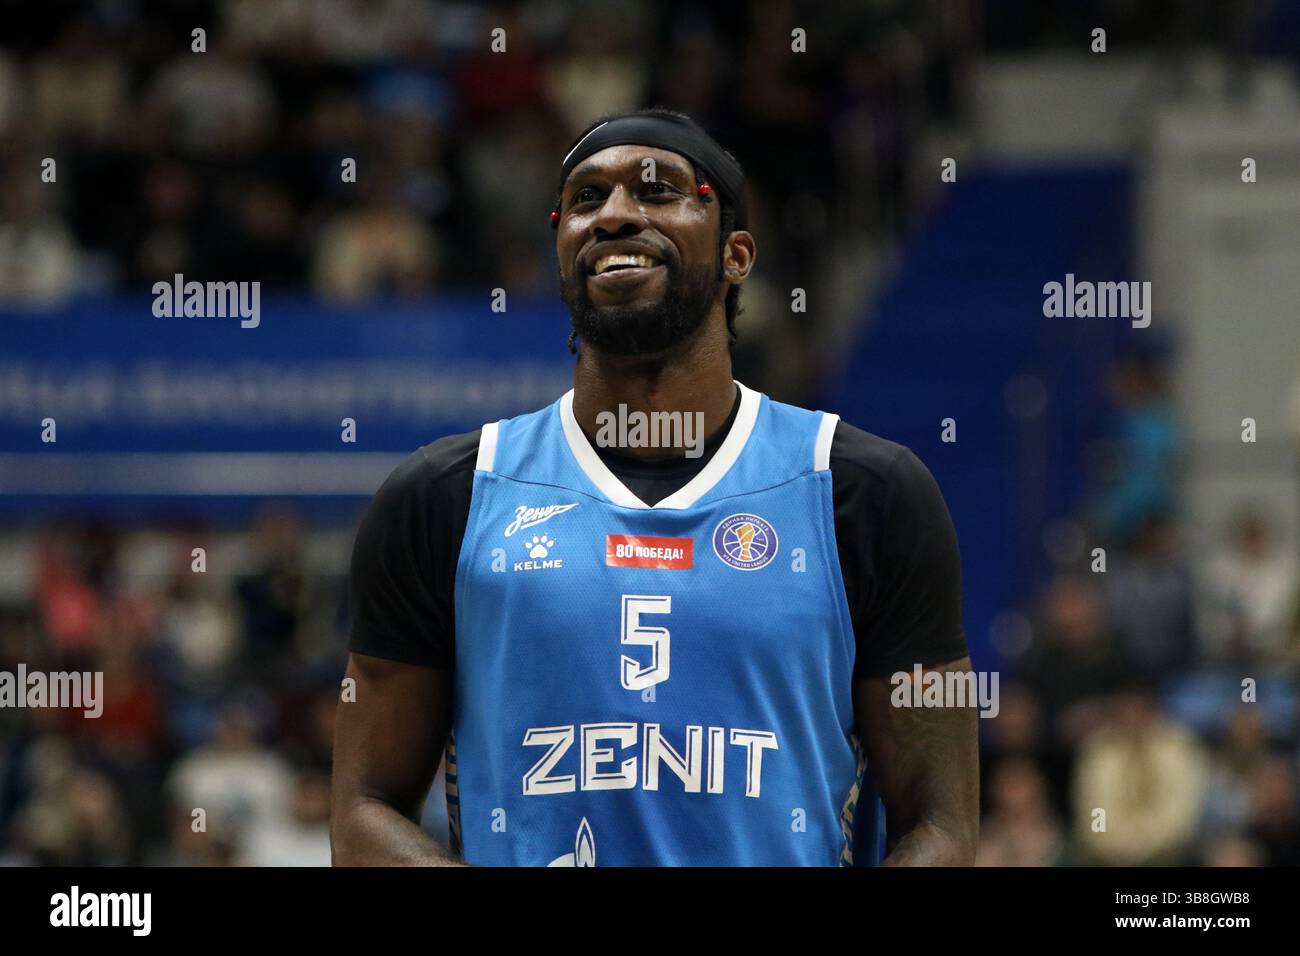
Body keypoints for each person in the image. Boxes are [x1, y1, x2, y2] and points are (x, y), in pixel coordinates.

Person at [331, 108, 977, 866]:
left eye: (658, 190)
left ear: (736, 254)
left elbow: (943, 827)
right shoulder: (445, 498)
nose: (613, 216)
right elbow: (362, 814)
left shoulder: (866, 494)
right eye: (583, 200)